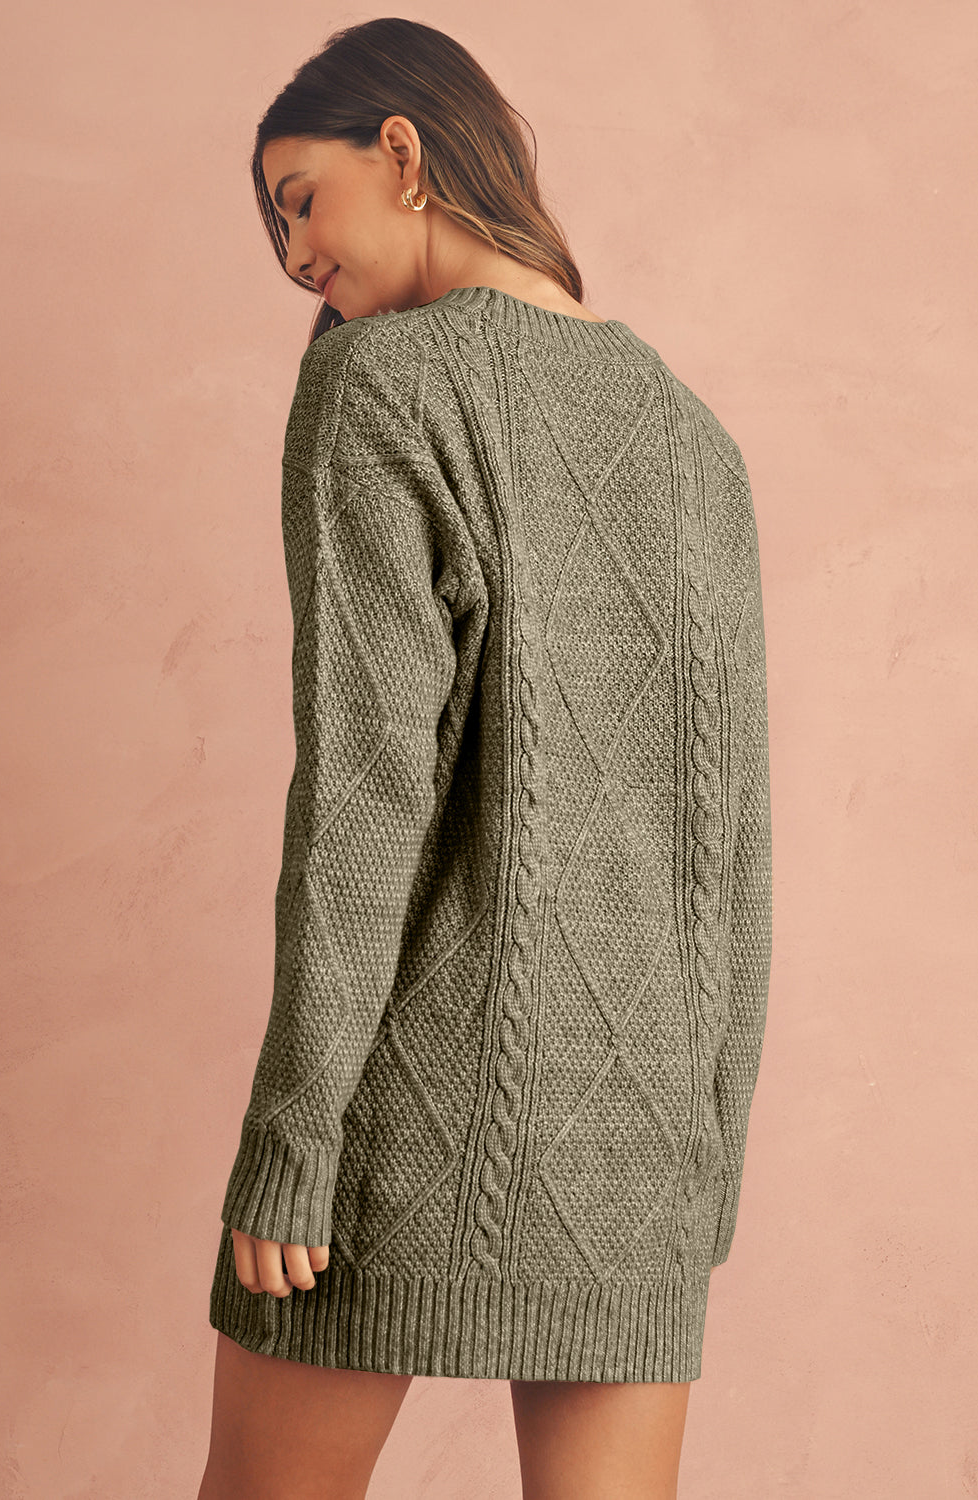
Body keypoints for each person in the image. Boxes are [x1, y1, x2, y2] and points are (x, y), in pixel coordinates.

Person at [198, 17, 772, 1500]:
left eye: (299, 201)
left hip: (406, 1111)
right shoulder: (694, 436)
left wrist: (294, 1131)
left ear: (402, 151)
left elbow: (366, 796)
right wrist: (705, 1158)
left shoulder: (381, 383)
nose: (293, 256)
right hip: (640, 1138)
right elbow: (731, 848)